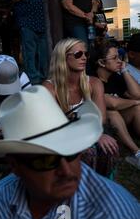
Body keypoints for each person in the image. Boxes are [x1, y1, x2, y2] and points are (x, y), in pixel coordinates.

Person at [0, 85, 140, 219]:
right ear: (15, 165)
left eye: (71, 152)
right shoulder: (1, 197)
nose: (66, 171)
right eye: (46, 160)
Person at [43, 38, 119, 177]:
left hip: (89, 131)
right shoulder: (49, 88)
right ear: (63, 58)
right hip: (61, 138)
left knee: (110, 148)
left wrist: (98, 135)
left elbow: (100, 119)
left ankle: (103, 189)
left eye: (86, 54)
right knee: (87, 153)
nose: (84, 57)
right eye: (78, 54)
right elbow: (54, 127)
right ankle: (77, 191)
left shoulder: (94, 83)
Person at [92, 39, 140, 169]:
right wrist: (135, 102)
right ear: (101, 62)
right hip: (103, 128)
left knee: (137, 108)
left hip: (122, 123)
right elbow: (112, 104)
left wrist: (124, 71)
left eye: (119, 56)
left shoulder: (115, 77)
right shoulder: (93, 80)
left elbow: (137, 94)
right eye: (114, 58)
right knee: (111, 112)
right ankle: (137, 153)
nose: (119, 61)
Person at [6, 0, 48, 85]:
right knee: (30, 54)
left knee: (44, 54)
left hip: (42, 22)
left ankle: (45, 80)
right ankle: (33, 82)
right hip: (27, 22)